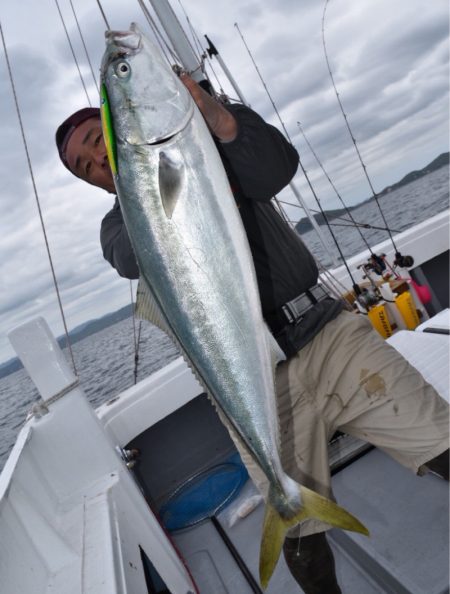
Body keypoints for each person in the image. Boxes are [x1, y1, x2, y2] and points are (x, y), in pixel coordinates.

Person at [56, 75, 449, 594]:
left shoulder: (210, 147)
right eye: (85, 168)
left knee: (441, 441)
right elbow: (131, 257)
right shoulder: (118, 228)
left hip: (327, 336)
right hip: (250, 378)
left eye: (93, 141)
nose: (96, 160)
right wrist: (143, 184)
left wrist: (215, 117)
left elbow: (275, 167)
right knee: (302, 538)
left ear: (120, 125)